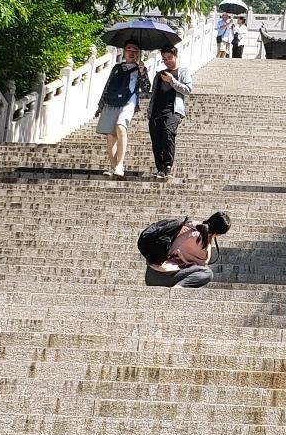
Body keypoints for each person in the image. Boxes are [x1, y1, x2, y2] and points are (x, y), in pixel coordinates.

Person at [96, 43, 150, 178]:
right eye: (129, 50)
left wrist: (142, 72)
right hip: (112, 102)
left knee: (121, 126)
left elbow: (146, 88)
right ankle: (113, 166)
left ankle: (120, 164)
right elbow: (108, 86)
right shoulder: (116, 68)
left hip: (129, 102)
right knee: (111, 136)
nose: (131, 53)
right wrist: (100, 105)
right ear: (124, 51)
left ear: (139, 53)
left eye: (135, 50)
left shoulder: (140, 69)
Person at [143, 210, 231, 289]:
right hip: (162, 276)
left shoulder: (190, 225)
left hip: (151, 274)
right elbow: (203, 263)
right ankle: (178, 288)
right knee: (207, 273)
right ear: (218, 233)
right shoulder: (198, 238)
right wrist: (210, 239)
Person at [148, 45, 193, 179]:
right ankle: (160, 168)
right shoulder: (159, 74)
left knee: (168, 134)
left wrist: (172, 81)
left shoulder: (183, 72)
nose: (167, 61)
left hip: (173, 110)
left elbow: (188, 89)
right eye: (164, 59)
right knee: (156, 139)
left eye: (169, 58)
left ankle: (168, 166)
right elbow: (152, 92)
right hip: (156, 110)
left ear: (175, 56)